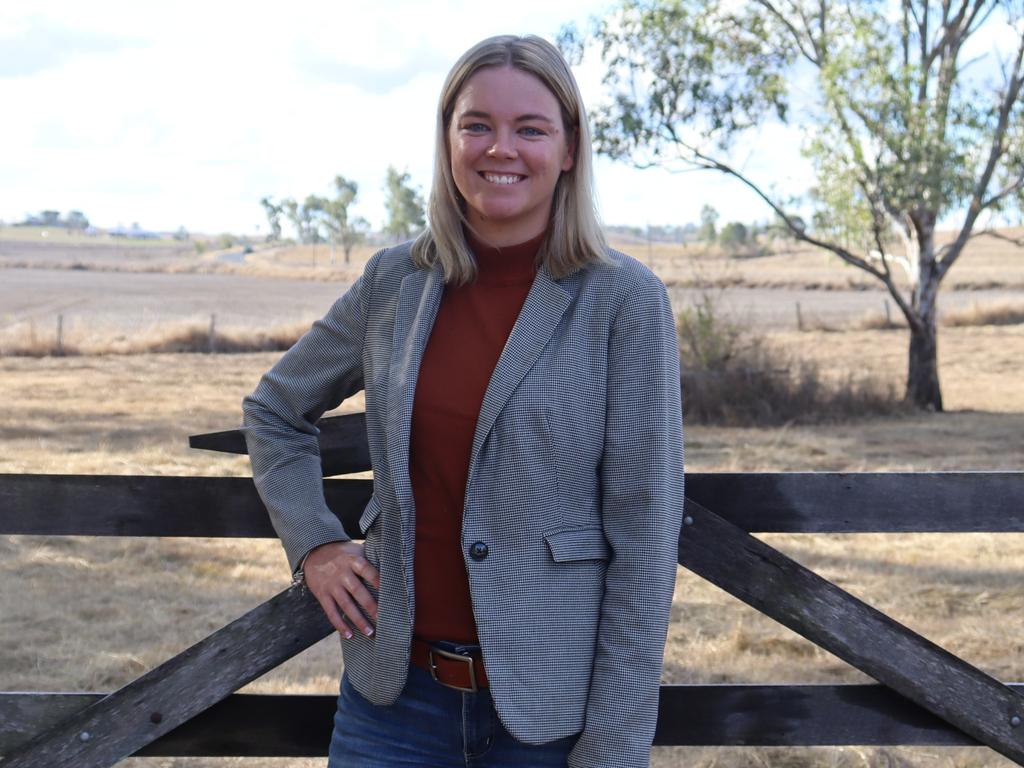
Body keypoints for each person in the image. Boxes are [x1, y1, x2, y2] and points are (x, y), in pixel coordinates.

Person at [242, 33, 684, 768]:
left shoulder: (623, 300)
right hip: (393, 701)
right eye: (476, 124)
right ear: (448, 140)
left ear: (570, 149)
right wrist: (314, 543)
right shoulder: (395, 282)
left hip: (548, 716)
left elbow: (645, 543)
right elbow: (276, 410)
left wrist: (614, 743)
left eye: (530, 129)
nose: (499, 148)